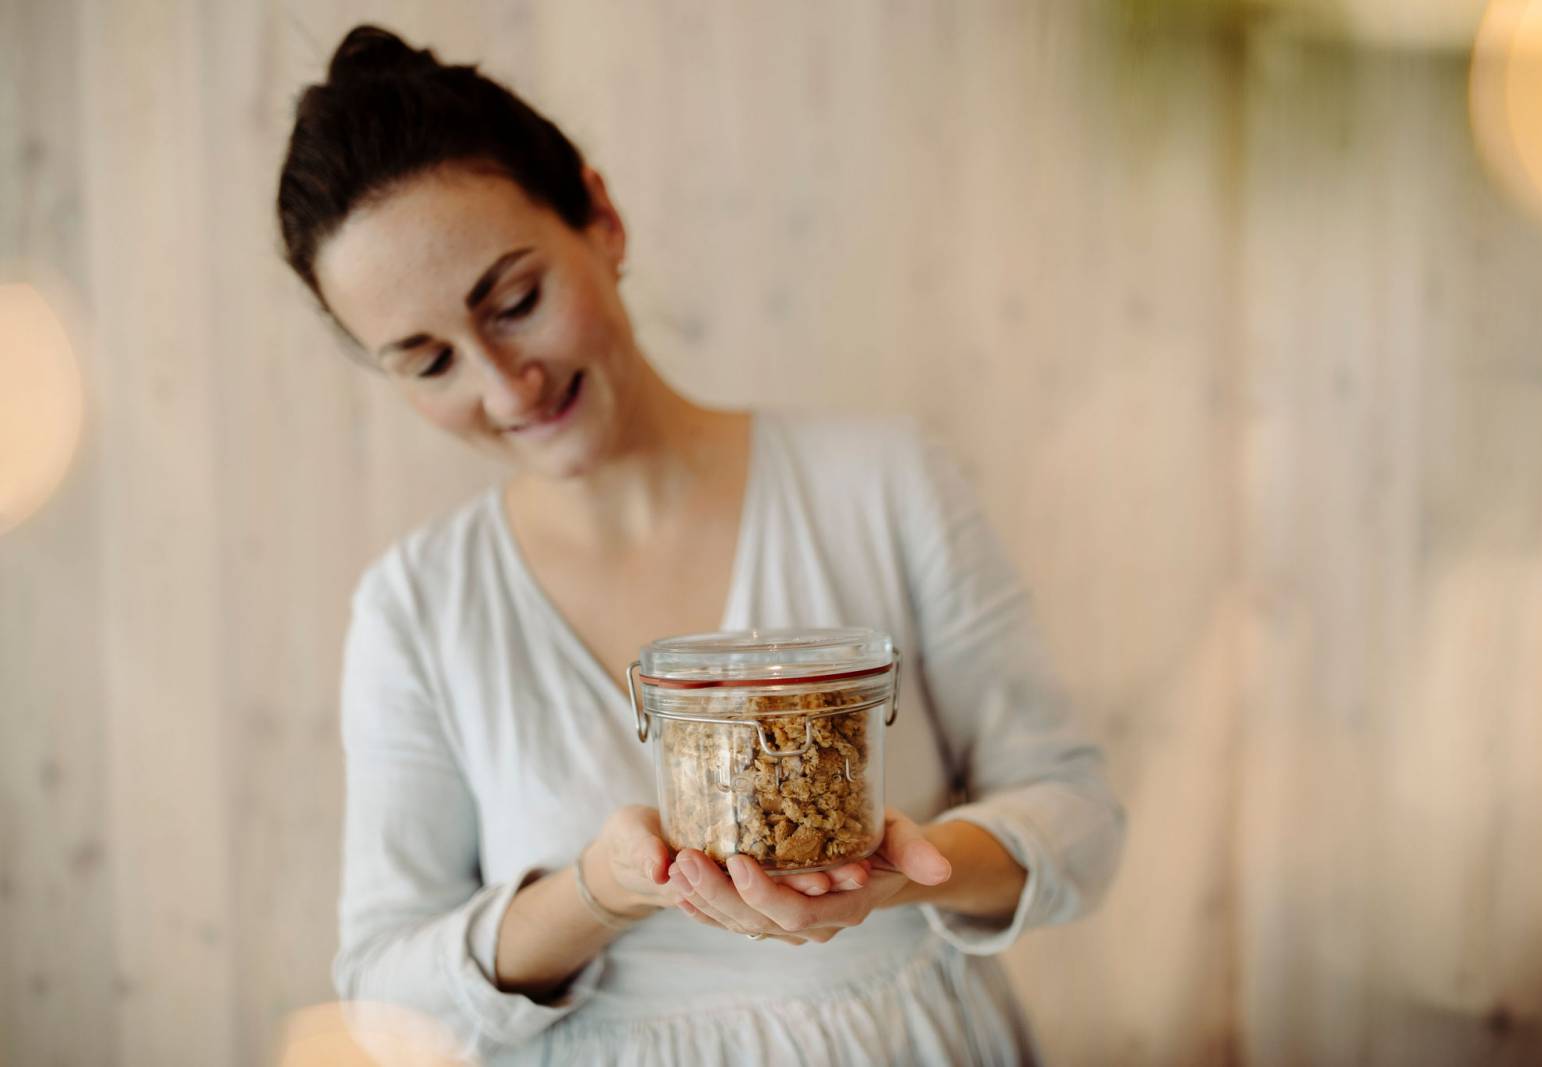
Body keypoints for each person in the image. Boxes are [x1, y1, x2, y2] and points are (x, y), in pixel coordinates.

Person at [276, 24, 1126, 1066]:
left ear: (601, 216)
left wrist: (910, 869)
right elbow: (382, 989)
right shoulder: (417, 606)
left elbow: (1077, 814)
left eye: (515, 302)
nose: (504, 385)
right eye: (425, 361)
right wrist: (598, 892)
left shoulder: (885, 481)